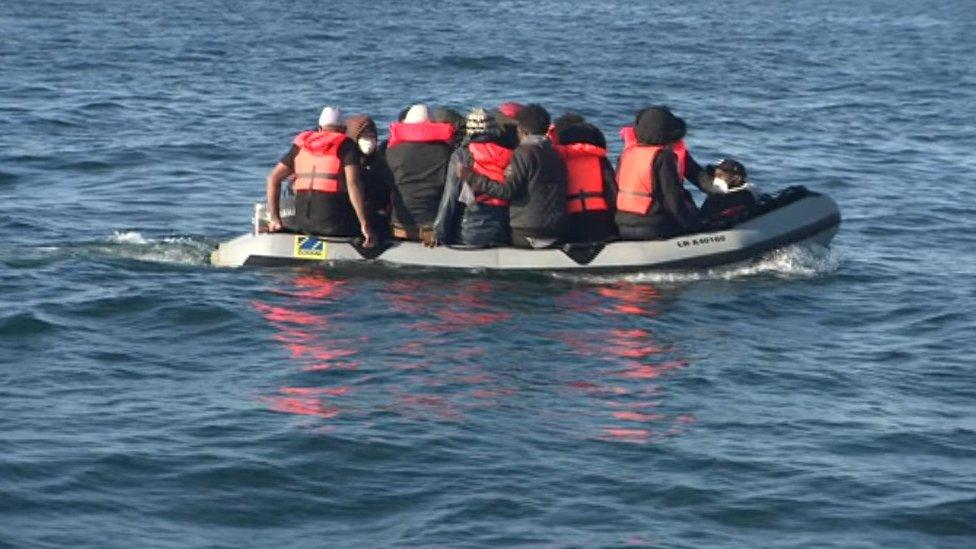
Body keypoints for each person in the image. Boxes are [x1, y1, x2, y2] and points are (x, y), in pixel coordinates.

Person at [265, 106, 374, 246]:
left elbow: (272, 179)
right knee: (377, 222)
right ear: (343, 129)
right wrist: (365, 224)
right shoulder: (346, 146)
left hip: (304, 225)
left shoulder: (300, 146)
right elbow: (353, 185)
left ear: (320, 128)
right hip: (334, 226)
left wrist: (275, 219)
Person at [469, 104, 568, 248]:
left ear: (520, 130)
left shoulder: (523, 153)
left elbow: (507, 191)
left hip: (526, 233)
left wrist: (472, 178)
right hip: (556, 231)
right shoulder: (556, 154)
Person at [615, 106, 714, 240]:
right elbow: (674, 202)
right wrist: (697, 226)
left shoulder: (627, 154)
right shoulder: (663, 157)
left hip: (622, 226)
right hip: (653, 227)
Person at [432, 108, 512, 247]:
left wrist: (439, 233)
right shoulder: (509, 154)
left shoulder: (462, 155)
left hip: (468, 233)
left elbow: (450, 196)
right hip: (502, 233)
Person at [384, 104, 455, 240]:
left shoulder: (390, 153)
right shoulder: (447, 153)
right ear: (433, 124)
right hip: (433, 231)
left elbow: (381, 191)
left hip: (400, 229)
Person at [552, 114, 617, 243]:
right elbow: (612, 193)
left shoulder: (558, 161)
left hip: (570, 223)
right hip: (599, 220)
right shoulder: (600, 160)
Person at [344, 114, 393, 241]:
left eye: (371, 136)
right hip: (350, 218)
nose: (369, 141)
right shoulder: (345, 162)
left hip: (378, 217)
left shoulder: (382, 161)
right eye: (363, 137)